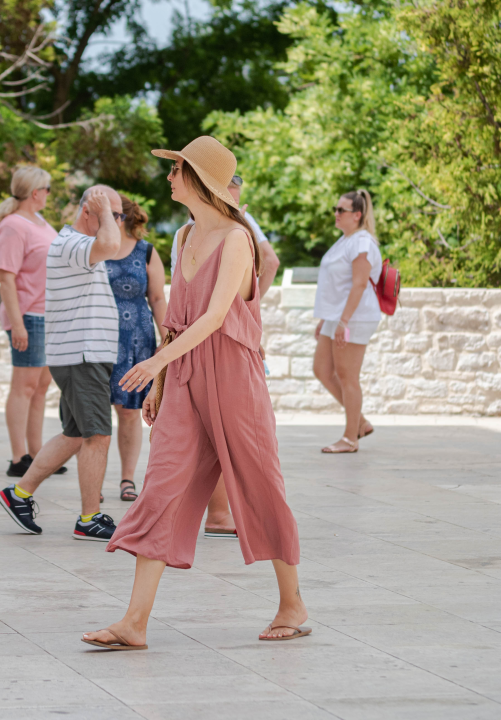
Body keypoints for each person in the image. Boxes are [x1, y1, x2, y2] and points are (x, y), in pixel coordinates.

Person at [81, 136, 306, 652]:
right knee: (161, 486)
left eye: (176, 169)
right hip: (183, 374)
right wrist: (162, 380)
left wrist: (157, 363)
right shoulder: (182, 238)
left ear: (200, 178)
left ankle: (293, 603)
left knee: (258, 483)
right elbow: (178, 323)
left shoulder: (237, 239)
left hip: (233, 373)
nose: (168, 177)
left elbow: (216, 316)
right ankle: (134, 622)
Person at [0, 185, 122, 540]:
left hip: (81, 354)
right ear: (89, 212)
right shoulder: (72, 245)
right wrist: (104, 209)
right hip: (82, 355)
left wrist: (106, 211)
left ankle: (18, 494)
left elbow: (112, 244)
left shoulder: (79, 247)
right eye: (113, 215)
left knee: (74, 435)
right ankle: (89, 518)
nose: (118, 222)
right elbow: (113, 245)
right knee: (97, 435)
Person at [171, 175, 279, 536]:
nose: (235, 195)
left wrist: (245, 318)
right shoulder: (185, 235)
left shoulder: (238, 232)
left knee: (252, 464)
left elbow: (225, 304)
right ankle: (216, 517)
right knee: (190, 459)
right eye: (232, 186)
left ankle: (288, 589)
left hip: (226, 355)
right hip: (191, 357)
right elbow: (183, 307)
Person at [0, 167, 60, 476]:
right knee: (24, 386)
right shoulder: (13, 226)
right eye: (47, 188)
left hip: (47, 315)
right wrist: (17, 324)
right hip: (28, 316)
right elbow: (6, 278)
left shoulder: (41, 223)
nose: (50, 193)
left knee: (41, 386)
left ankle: (37, 454)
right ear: (36, 192)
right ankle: (18, 457)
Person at [311, 190, 382, 454]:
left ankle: (350, 438)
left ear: (357, 215)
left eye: (341, 210)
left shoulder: (362, 243)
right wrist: (326, 319)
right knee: (321, 369)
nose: (336, 214)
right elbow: (336, 286)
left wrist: (343, 321)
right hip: (337, 316)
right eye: (335, 209)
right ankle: (360, 422)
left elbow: (360, 284)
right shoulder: (345, 240)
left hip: (355, 316)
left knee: (347, 376)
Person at [108, 194, 167, 502]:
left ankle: (127, 480)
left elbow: (157, 298)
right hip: (99, 339)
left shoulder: (146, 251)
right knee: (93, 414)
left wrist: (166, 342)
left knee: (130, 412)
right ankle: (91, 478)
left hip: (136, 340)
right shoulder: (91, 249)